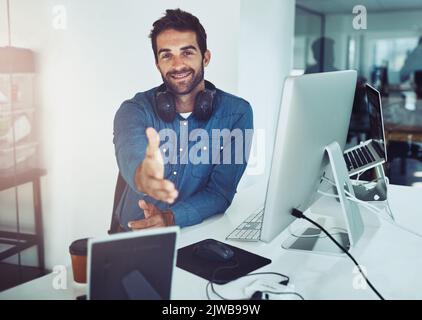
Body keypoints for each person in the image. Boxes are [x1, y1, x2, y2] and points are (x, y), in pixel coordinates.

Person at [113, 9, 253, 231]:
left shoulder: (237, 113)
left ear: (205, 57)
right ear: (157, 64)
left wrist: (170, 217)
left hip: (196, 232)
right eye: (166, 55)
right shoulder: (133, 110)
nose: (177, 65)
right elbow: (129, 148)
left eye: (187, 52)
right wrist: (143, 175)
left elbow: (220, 193)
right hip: (134, 233)